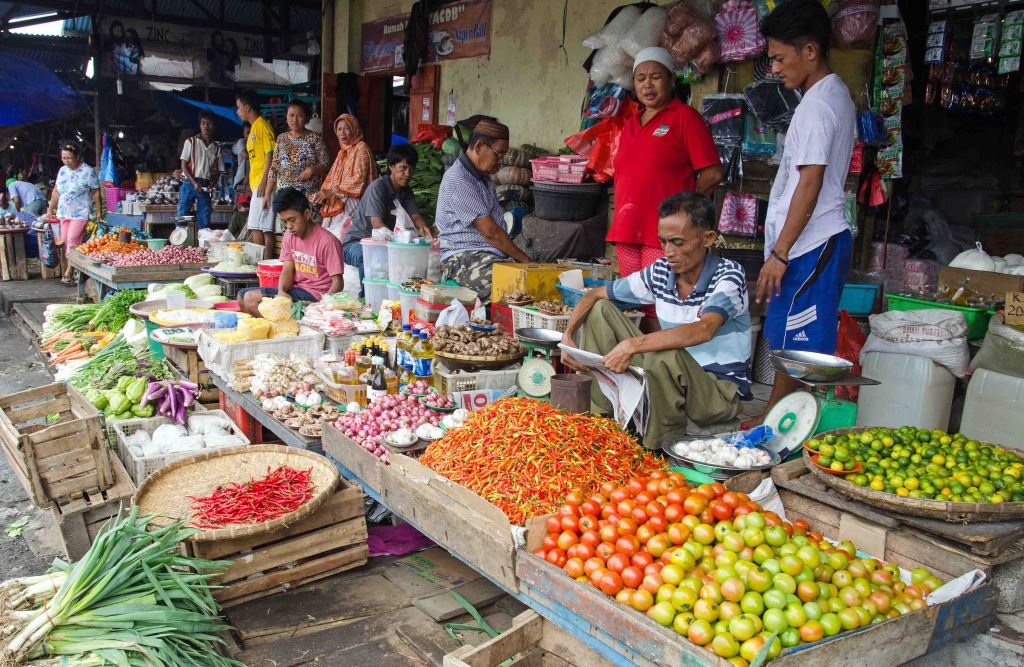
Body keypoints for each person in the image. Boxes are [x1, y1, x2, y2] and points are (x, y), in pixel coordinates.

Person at [560, 192, 752, 450]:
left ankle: (656, 447)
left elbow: (704, 330)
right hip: (671, 377)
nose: (669, 252)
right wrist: (568, 336)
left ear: (707, 239)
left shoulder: (728, 275)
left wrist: (632, 345)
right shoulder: (662, 271)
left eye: (678, 242)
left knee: (665, 353)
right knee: (600, 310)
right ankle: (603, 417)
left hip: (717, 393)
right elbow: (594, 294)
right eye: (663, 242)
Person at [753, 0, 855, 423]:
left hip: (810, 243)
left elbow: (809, 183)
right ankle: (777, 421)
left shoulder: (816, 106)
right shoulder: (832, 94)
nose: (774, 69)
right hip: (809, 242)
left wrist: (780, 252)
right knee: (787, 340)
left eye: (779, 58)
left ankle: (780, 428)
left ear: (809, 51)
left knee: (798, 344)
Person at [608, 47, 723, 314]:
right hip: (627, 230)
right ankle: (637, 354)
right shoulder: (630, 124)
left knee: (660, 304)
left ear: (671, 80)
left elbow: (713, 173)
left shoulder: (685, 118)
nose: (647, 84)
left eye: (656, 77)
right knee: (632, 302)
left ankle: (659, 354)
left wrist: (685, 212)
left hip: (663, 235)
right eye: (640, 78)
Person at [435, 117, 530, 303]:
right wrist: (525, 260)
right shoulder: (459, 179)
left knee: (527, 283)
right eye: (499, 154)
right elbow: (491, 232)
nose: (501, 162)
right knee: (512, 292)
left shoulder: (481, 177)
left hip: (486, 253)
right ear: (479, 146)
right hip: (462, 257)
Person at [238, 187, 344, 314]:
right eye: (284, 222)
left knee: (250, 298)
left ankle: (282, 327)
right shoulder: (289, 235)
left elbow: (338, 283)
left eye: (292, 220)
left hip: (316, 297)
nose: (289, 226)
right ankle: (281, 327)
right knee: (241, 296)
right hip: (295, 291)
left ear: (306, 214)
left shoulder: (328, 242)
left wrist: (321, 307)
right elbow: (287, 269)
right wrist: (281, 291)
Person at [342, 143, 433, 287]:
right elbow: (378, 225)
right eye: (403, 168)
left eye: (411, 169)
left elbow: (415, 217)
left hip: (384, 243)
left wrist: (425, 229)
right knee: (370, 259)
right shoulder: (378, 187)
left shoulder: (406, 191)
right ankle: (367, 300)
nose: (407, 174)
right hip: (356, 243)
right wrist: (400, 244)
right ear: (391, 166)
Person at [45, 144, 101, 285]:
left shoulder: (87, 171)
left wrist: (99, 211)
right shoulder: (62, 171)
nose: (66, 161)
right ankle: (78, 268)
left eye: (69, 158)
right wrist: (50, 208)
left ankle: (69, 271)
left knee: (72, 240)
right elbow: (56, 191)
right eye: (63, 158)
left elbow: (96, 191)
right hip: (63, 212)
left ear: (77, 157)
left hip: (80, 212)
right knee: (65, 239)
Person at [317, 114, 376, 238]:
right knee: (328, 234)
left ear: (354, 129)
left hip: (358, 200)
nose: (342, 133)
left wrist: (332, 191)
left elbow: (358, 180)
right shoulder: (342, 152)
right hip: (341, 197)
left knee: (341, 235)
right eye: (339, 129)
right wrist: (322, 193)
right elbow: (331, 178)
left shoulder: (361, 148)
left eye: (346, 128)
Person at [236, 90, 277, 259]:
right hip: (257, 185)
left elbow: (271, 155)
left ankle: (264, 265)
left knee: (263, 227)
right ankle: (261, 265)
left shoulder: (262, 126)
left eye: (238, 108)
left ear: (247, 107)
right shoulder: (254, 128)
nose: (237, 112)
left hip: (264, 185)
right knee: (256, 226)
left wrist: (264, 183)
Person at [267, 99, 330, 206]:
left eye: (299, 116)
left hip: (307, 197)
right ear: (286, 117)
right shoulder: (281, 139)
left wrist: (312, 170)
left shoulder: (315, 138)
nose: (294, 120)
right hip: (284, 196)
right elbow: (274, 168)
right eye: (291, 115)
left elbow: (327, 164)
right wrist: (267, 194)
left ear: (306, 118)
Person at [177, 111, 224, 230]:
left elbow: (218, 171)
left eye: (209, 124)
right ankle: (179, 242)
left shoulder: (217, 148)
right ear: (200, 125)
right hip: (189, 182)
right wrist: (194, 182)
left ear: (214, 127)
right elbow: (183, 165)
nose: (206, 126)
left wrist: (212, 184)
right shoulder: (191, 142)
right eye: (203, 123)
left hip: (205, 185)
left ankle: (202, 243)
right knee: (182, 215)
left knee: (204, 217)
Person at [232, 122, 250, 193]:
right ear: (243, 133)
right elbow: (246, 155)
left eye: (251, 132)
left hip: (249, 181)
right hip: (241, 181)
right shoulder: (241, 141)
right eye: (247, 133)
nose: (249, 135)